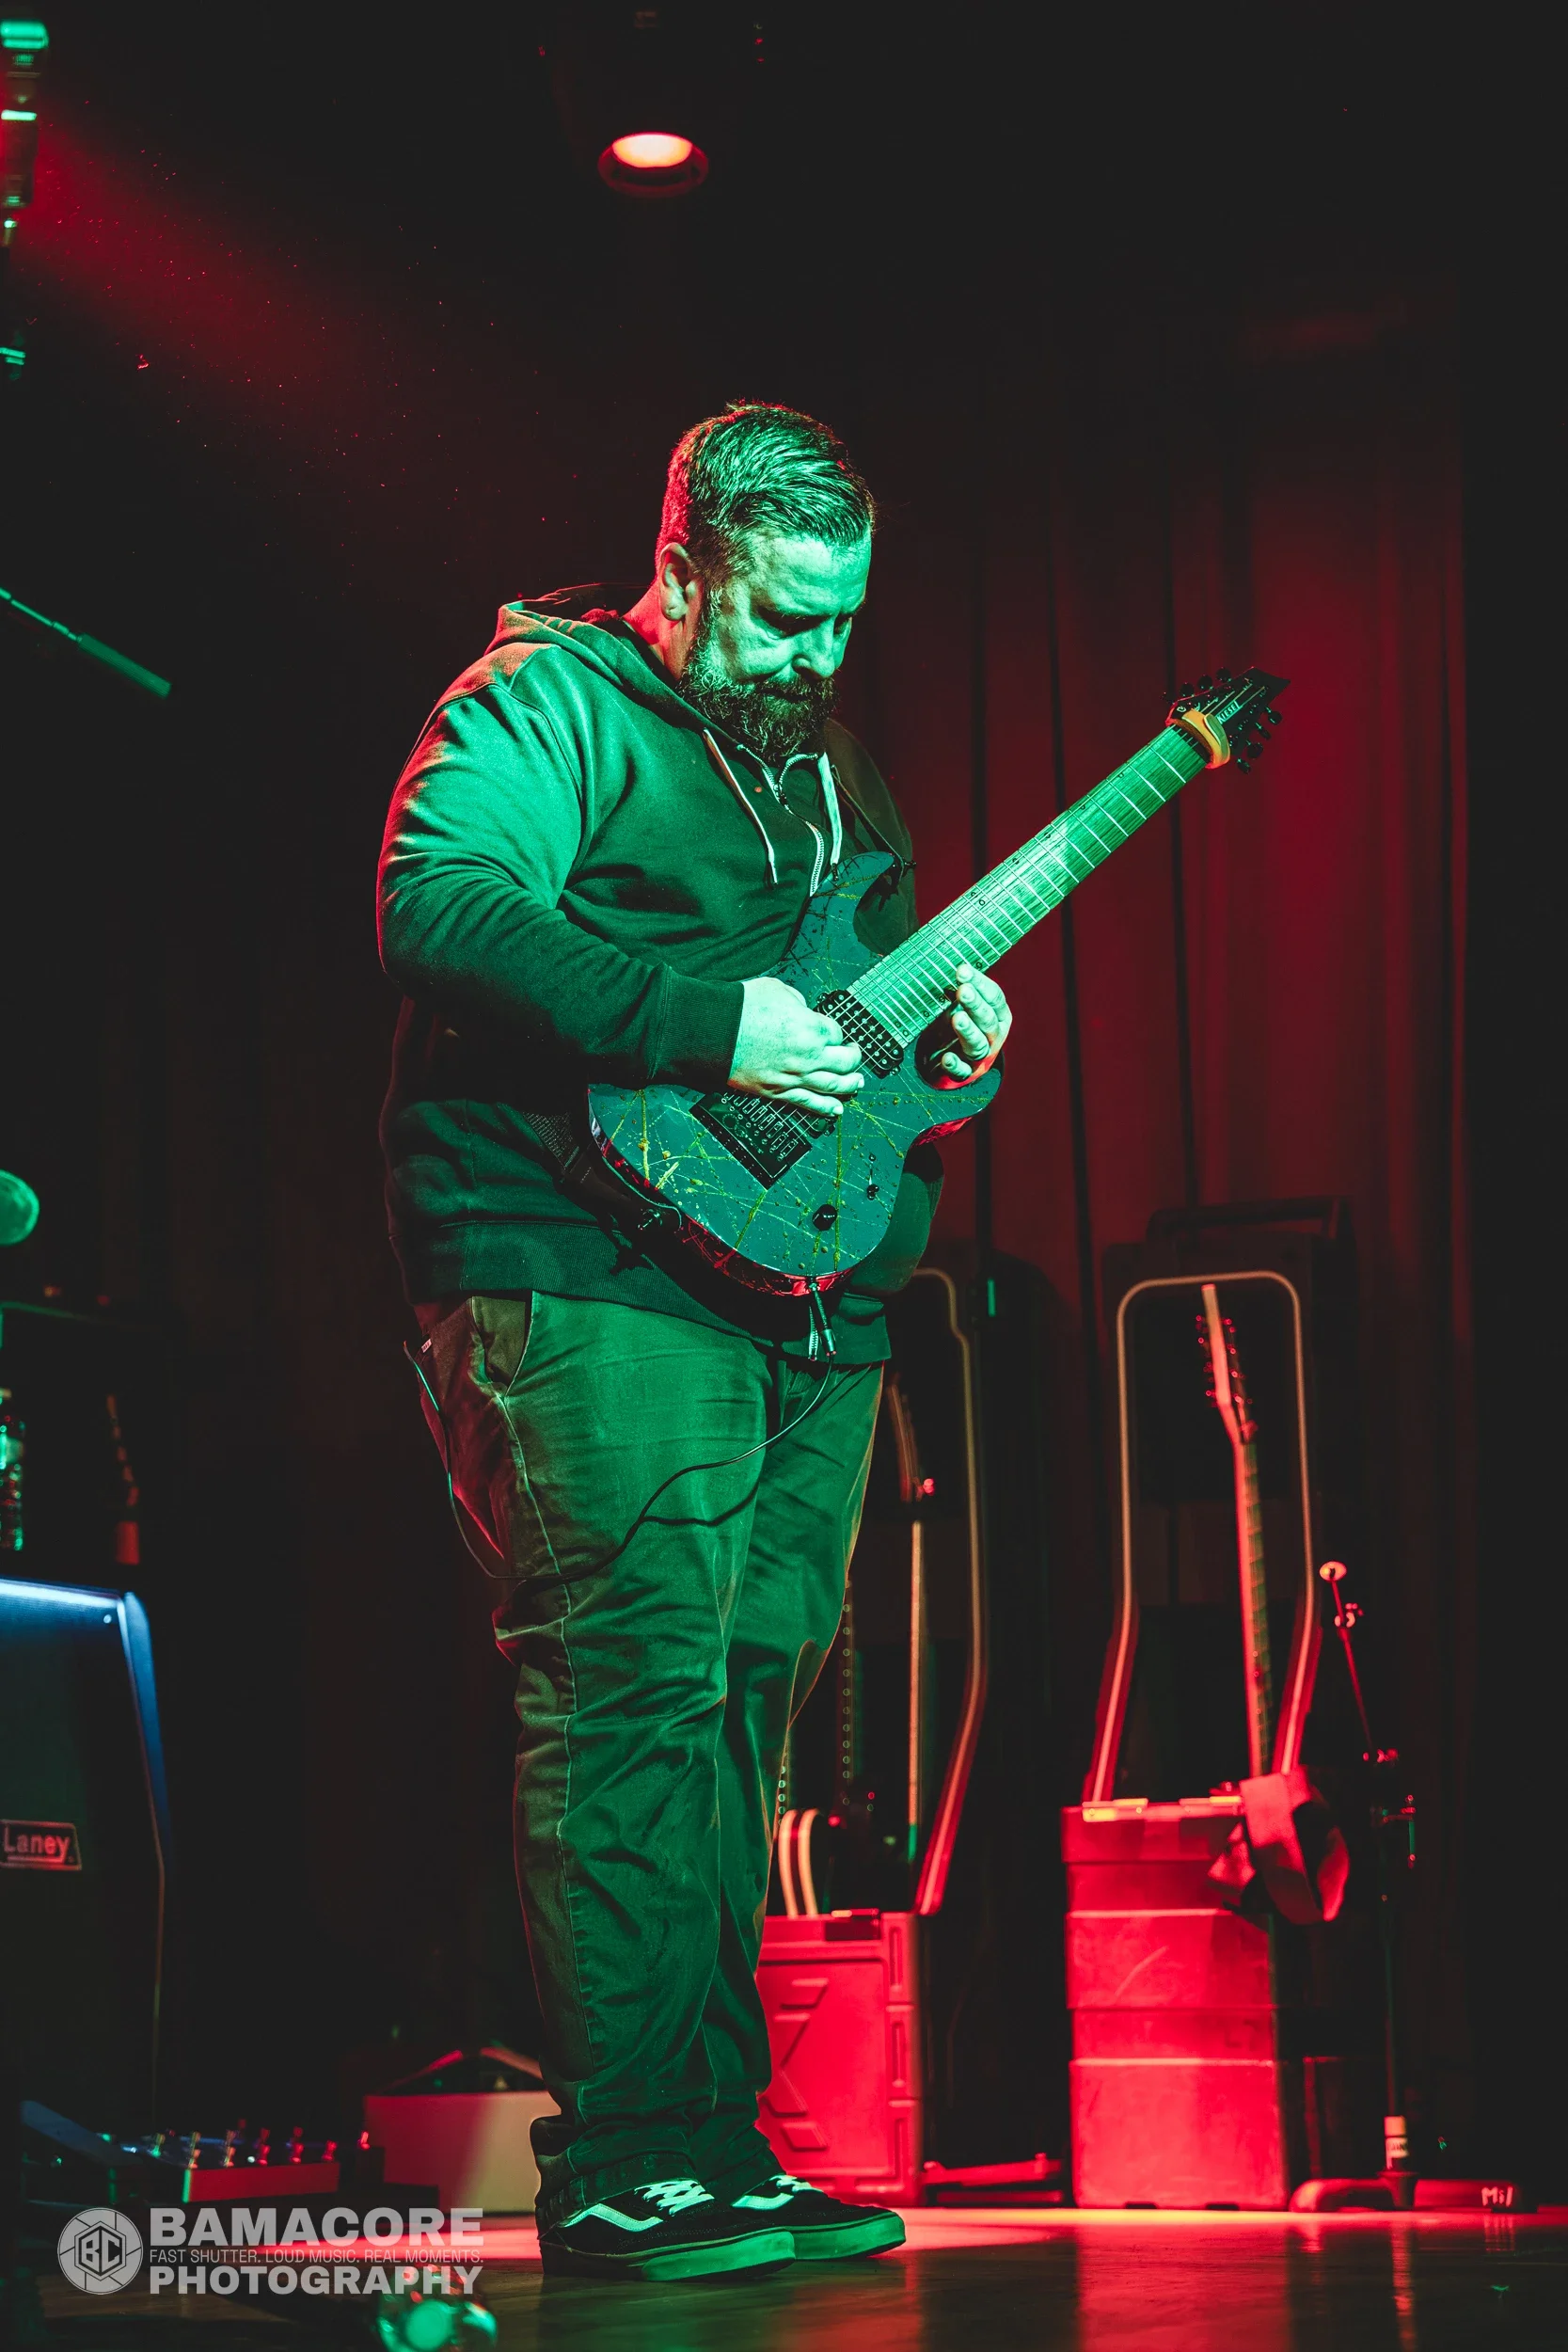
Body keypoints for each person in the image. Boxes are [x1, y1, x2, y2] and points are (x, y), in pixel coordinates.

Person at [377, 404, 1011, 2280]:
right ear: (681, 570)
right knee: (632, 1687)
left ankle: (708, 2144)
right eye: (783, 618)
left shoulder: (833, 771)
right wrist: (706, 1023)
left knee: (741, 1705)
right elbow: (438, 908)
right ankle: (627, 2160)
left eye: (845, 619)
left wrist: (942, 1043)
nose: (819, 655)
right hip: (573, 1254)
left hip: (794, 1290)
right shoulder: (546, 703)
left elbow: (856, 1040)